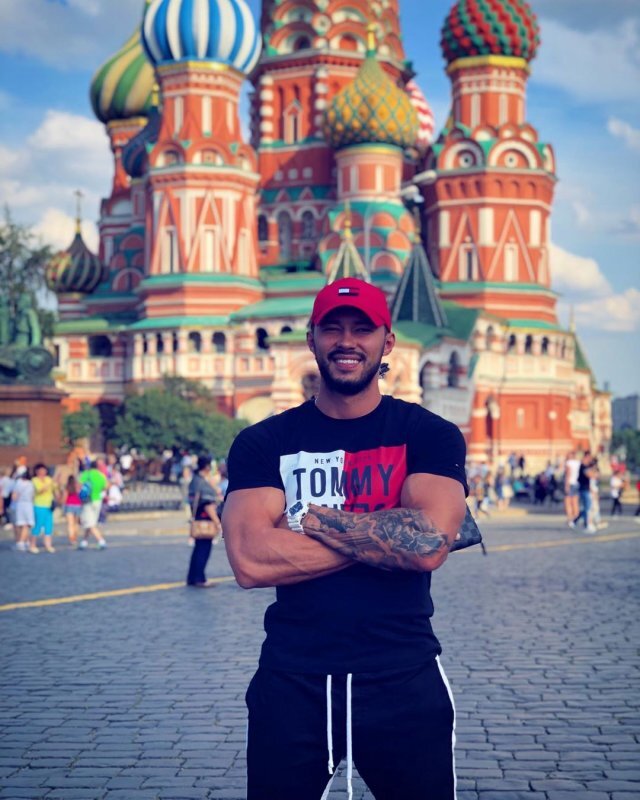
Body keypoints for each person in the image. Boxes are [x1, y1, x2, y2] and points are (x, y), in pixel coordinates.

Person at [223, 277, 468, 800]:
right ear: (311, 339)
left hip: (402, 677)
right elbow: (249, 560)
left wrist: (310, 522)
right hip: (292, 681)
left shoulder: (428, 434)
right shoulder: (264, 441)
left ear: (388, 341)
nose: (347, 341)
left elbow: (427, 544)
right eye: (332, 328)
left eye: (363, 328)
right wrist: (388, 531)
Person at [186, 455, 222, 587]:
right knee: (203, 550)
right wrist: (217, 522)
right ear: (207, 466)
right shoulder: (202, 483)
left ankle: (192, 577)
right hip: (205, 521)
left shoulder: (195, 480)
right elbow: (208, 505)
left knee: (198, 550)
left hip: (198, 518)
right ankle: (199, 578)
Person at [78, 460, 108, 549]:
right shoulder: (101, 475)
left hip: (88, 500)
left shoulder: (86, 474)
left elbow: (79, 485)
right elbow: (105, 487)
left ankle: (101, 541)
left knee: (89, 523)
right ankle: (84, 542)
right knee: (91, 521)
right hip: (97, 500)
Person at [32, 463, 56, 553]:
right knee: (38, 525)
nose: (43, 471)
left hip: (49, 505)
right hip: (39, 505)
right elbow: (40, 490)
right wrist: (49, 483)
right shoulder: (35, 480)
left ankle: (48, 545)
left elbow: (55, 488)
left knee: (48, 526)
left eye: (44, 470)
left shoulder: (49, 479)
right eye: (41, 470)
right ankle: (32, 544)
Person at [571, 451, 596, 533]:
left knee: (586, 507)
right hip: (583, 489)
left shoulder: (586, 466)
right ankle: (587, 525)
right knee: (587, 508)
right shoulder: (583, 466)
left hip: (586, 489)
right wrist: (593, 471)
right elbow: (591, 475)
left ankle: (575, 521)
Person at [12, 468, 35, 553]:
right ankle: (23, 541)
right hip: (28, 504)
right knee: (27, 524)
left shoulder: (18, 483)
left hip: (20, 505)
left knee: (21, 524)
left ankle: (22, 541)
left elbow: (14, 497)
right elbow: (33, 495)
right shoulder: (31, 483)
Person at [62, 474, 82, 545]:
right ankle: (75, 537)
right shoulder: (78, 486)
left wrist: (62, 505)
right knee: (76, 523)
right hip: (78, 505)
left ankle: (71, 538)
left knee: (70, 524)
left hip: (69, 505)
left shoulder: (67, 487)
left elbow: (65, 497)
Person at [563, 451, 581, 526]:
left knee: (568, 502)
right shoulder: (578, 463)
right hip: (577, 483)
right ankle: (576, 517)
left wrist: (566, 485)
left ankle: (570, 519)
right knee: (575, 502)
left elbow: (568, 474)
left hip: (570, 483)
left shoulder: (568, 463)